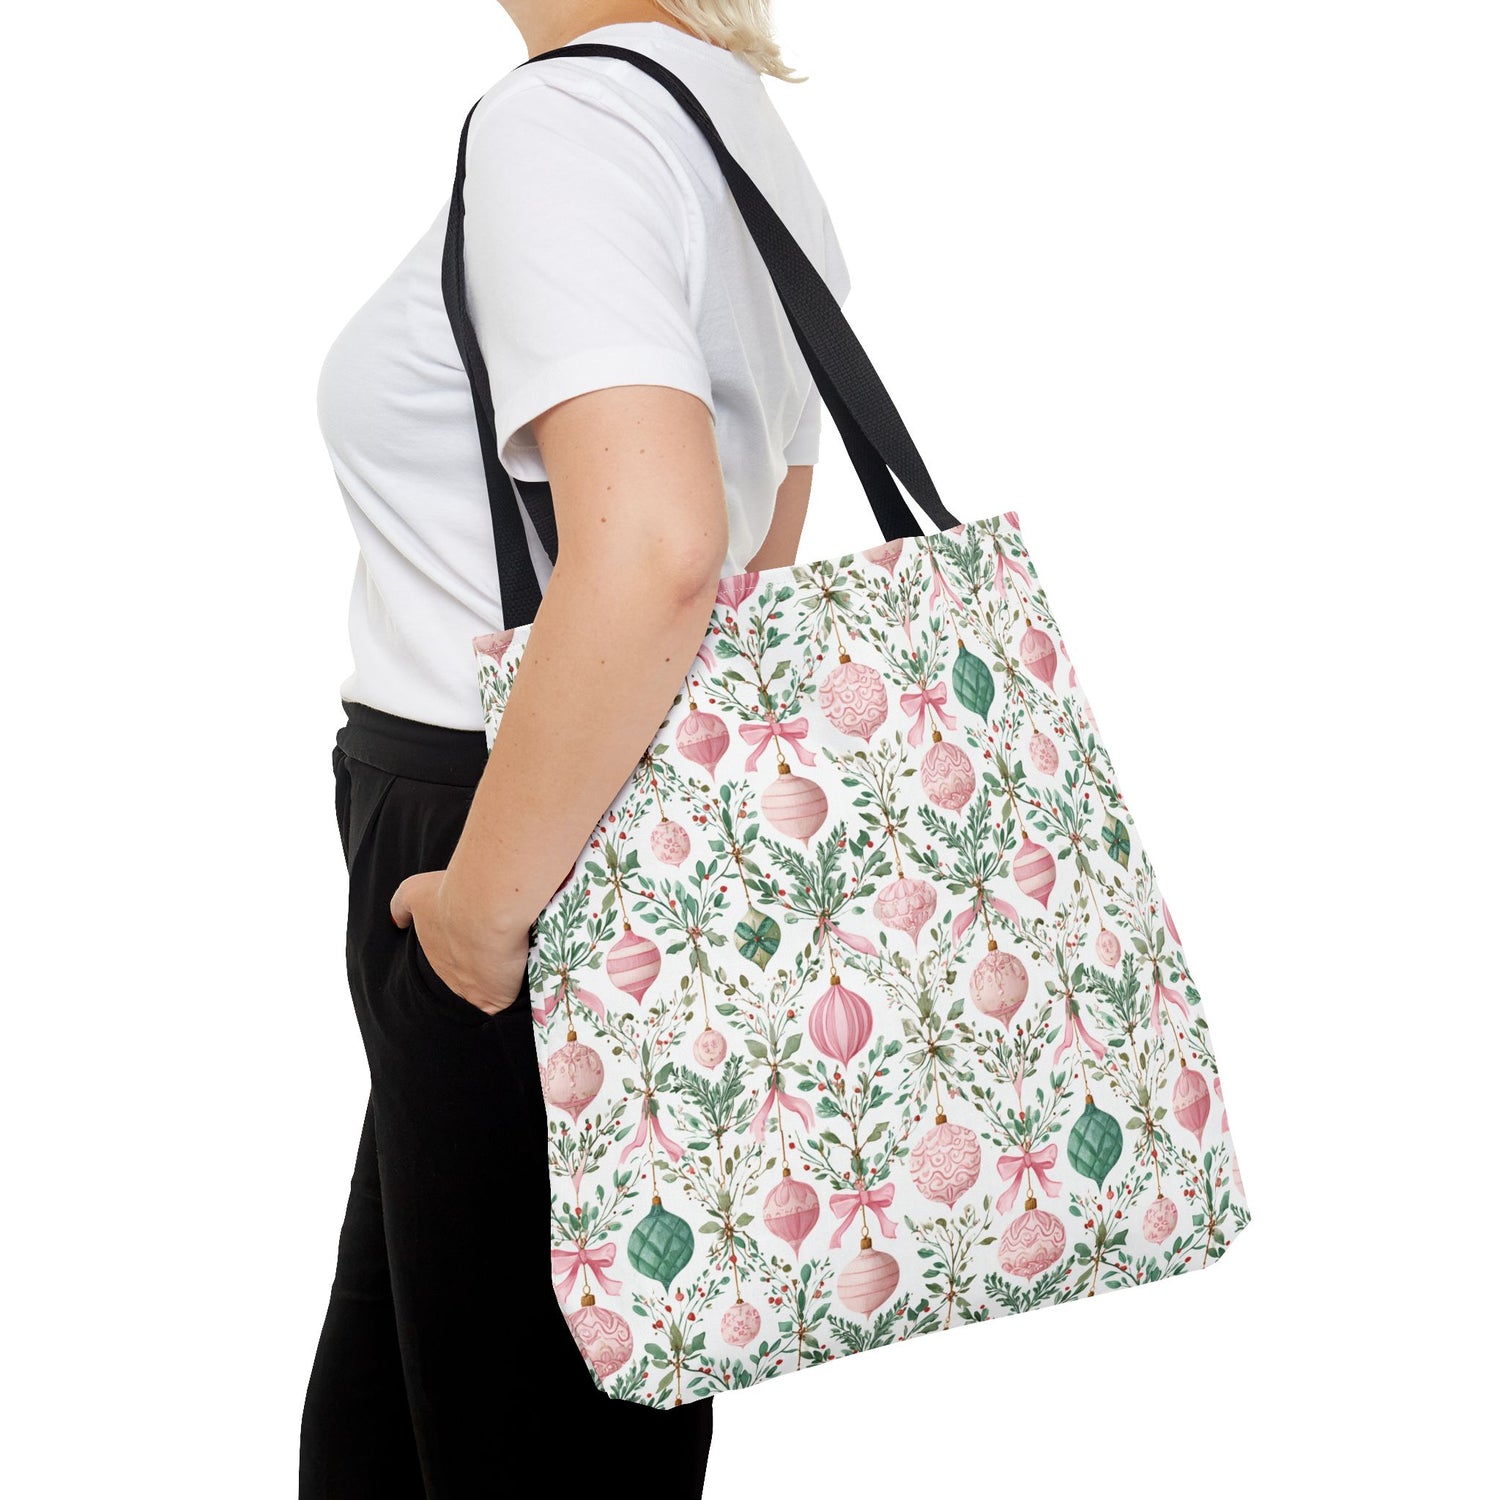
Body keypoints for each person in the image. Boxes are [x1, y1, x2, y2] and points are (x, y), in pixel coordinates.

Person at [300, 3, 850, 1495]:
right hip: (611, 819)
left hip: (508, 847)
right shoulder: (727, 118)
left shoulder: (567, 126)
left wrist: (481, 921)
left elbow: (668, 548)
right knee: (429, 1428)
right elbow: (756, 561)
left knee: (507, 1449)